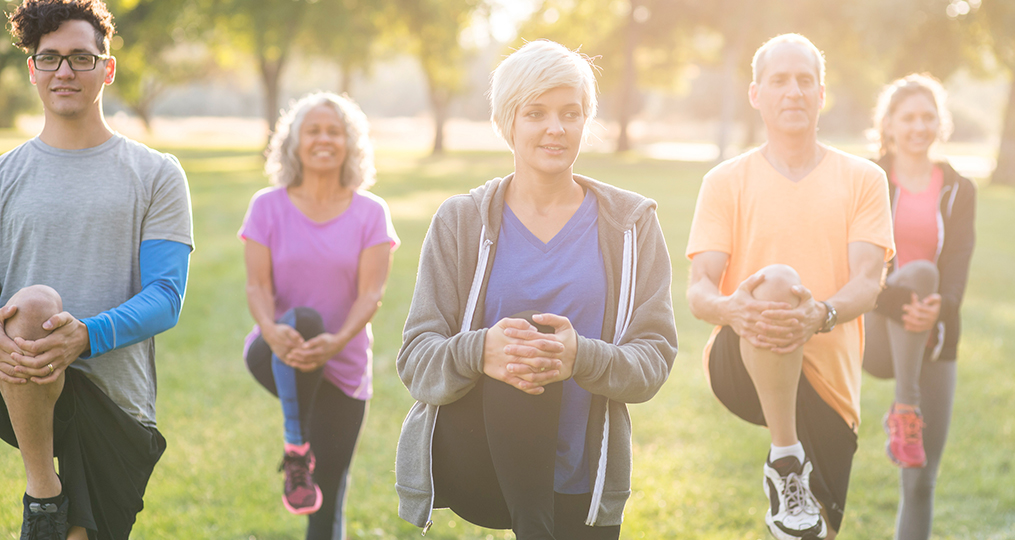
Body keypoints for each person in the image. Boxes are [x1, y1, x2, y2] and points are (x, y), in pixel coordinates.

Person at [393, 39, 678, 540]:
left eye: (571, 113)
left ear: (586, 121)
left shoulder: (631, 225)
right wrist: (482, 349)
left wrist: (581, 358)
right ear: (508, 123)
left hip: (584, 480)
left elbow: (653, 362)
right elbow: (417, 359)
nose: (555, 128)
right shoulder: (460, 221)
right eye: (536, 113)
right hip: (483, 464)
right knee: (520, 334)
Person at [686, 34, 895, 540]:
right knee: (776, 283)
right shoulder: (725, 181)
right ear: (756, 94)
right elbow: (699, 291)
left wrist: (819, 314)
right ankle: (786, 459)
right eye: (779, 80)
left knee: (813, 533)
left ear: (822, 94)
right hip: (743, 358)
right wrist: (734, 310)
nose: (793, 91)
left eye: (805, 81)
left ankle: (794, 486)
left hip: (830, 377)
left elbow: (868, 282)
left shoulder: (863, 178)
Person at [0, 1, 194, 539]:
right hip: (18, 380)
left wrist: (85, 336)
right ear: (32, 69)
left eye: (81, 58)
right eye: (50, 58)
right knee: (34, 304)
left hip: (114, 399)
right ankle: (43, 494)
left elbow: (165, 295)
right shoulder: (4, 176)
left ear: (107, 68)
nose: (64, 71)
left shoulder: (156, 174)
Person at [239, 91, 398, 539]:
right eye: (313, 130)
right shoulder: (266, 206)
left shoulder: (371, 212)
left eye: (334, 131)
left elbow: (372, 294)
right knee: (304, 320)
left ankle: (301, 457)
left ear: (350, 144)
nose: (324, 139)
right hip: (275, 352)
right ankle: (296, 443)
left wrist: (338, 341)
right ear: (294, 143)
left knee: (327, 500)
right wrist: (270, 330)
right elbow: (257, 286)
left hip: (344, 367)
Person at [863, 73, 975, 540]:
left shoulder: (957, 187)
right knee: (921, 274)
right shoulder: (867, 178)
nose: (919, 126)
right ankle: (904, 404)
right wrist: (901, 300)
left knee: (922, 480)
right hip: (876, 327)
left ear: (940, 123)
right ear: (888, 125)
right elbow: (853, 263)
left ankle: (906, 418)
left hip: (935, 333)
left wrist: (939, 311)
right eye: (908, 117)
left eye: (928, 117)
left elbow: (958, 262)